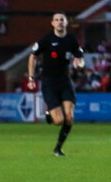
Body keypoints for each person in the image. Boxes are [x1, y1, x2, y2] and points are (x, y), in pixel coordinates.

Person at [27, 12, 84, 156]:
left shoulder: (71, 39)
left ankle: (58, 148)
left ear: (66, 23)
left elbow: (80, 57)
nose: (59, 22)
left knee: (69, 118)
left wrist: (79, 63)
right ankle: (48, 111)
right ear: (52, 23)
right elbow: (32, 57)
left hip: (65, 81)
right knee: (58, 121)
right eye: (57, 20)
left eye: (62, 20)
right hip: (49, 82)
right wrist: (31, 78)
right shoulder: (46, 40)